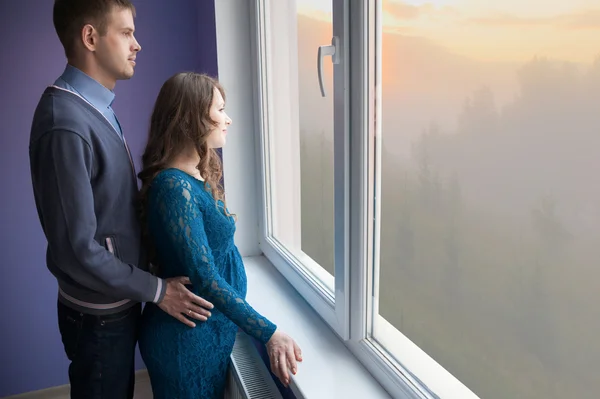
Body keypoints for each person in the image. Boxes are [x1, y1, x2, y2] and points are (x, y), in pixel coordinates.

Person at [29, 1, 213, 398]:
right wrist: (159, 291)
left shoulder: (98, 106)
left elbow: (112, 209)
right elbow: (78, 250)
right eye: (126, 33)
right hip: (98, 317)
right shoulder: (66, 124)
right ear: (91, 37)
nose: (138, 45)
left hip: (118, 303)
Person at [137, 72, 303, 398]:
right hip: (184, 340)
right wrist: (270, 333)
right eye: (220, 110)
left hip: (208, 333)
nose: (227, 119)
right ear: (192, 117)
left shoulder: (196, 175)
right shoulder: (174, 188)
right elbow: (207, 279)